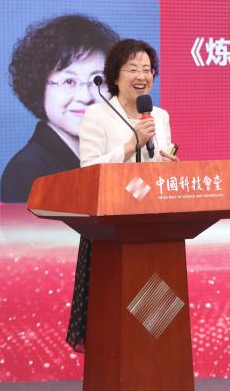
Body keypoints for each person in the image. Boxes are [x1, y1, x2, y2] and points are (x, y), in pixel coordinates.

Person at [68, 39, 178, 352]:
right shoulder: (97, 115)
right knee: (114, 313)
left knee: (153, 316)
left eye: (147, 69)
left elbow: (159, 162)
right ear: (115, 77)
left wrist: (170, 167)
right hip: (110, 227)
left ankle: (151, 357)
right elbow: (88, 171)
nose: (141, 75)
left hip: (153, 223)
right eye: (132, 69)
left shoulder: (159, 116)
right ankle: (114, 357)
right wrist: (131, 145)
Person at [0, 14, 120, 203]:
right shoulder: (27, 171)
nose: (85, 97)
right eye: (69, 81)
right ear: (40, 87)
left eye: (98, 81)